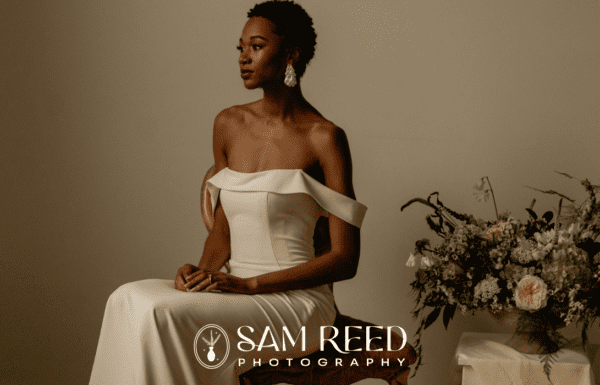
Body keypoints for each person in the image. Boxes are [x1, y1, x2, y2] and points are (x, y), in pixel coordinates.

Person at [89, 1, 367, 384]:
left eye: (256, 46)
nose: (243, 57)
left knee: (160, 314)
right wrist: (200, 275)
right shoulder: (228, 124)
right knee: (125, 299)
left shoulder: (325, 138)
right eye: (240, 48)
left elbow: (345, 258)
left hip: (297, 305)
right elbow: (223, 229)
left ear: (291, 54)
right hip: (234, 289)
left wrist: (250, 285)